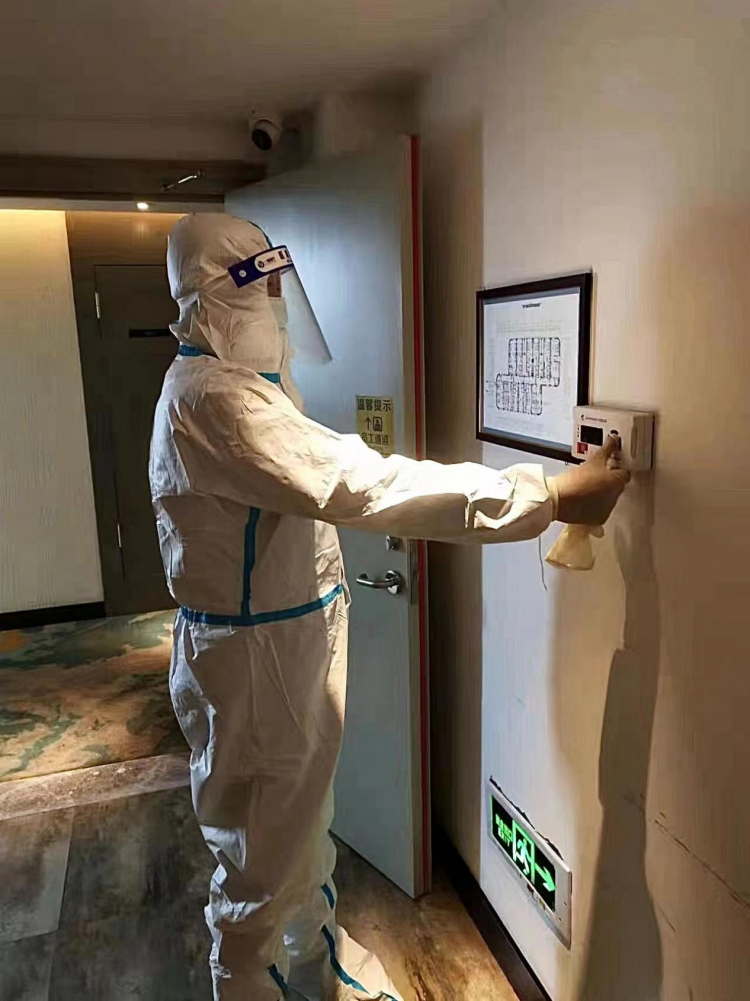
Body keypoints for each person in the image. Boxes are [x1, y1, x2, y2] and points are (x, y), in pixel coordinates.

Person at [149, 213, 629, 1001]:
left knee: (297, 838)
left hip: (269, 654)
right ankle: (251, 983)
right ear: (223, 297)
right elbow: (364, 483)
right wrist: (544, 496)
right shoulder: (217, 402)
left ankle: (319, 971)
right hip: (256, 670)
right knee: (258, 872)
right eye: (266, 290)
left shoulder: (231, 389)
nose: (279, 308)